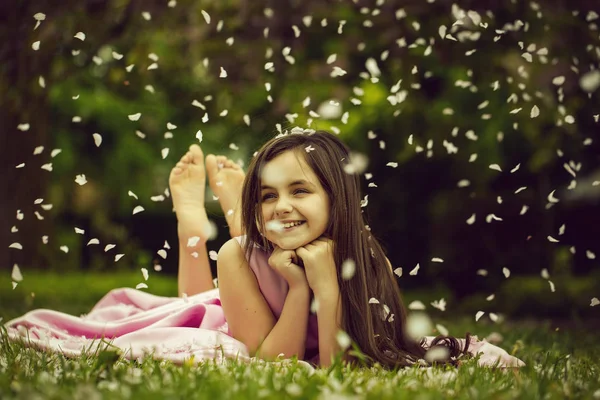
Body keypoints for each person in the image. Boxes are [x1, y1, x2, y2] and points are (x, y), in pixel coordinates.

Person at [5, 129, 524, 369]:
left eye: (300, 190)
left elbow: (339, 366)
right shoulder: (240, 258)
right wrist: (300, 288)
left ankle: (236, 209)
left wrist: (326, 285)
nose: (283, 205)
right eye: (269, 195)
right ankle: (197, 221)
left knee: (228, 267)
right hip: (239, 319)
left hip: (254, 285)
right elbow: (274, 361)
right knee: (199, 299)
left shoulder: (367, 257)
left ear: (337, 197)